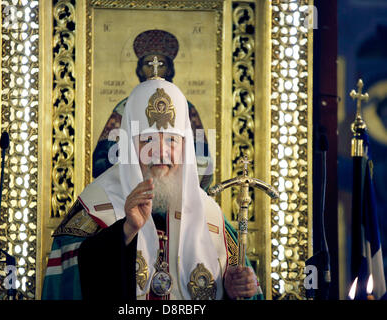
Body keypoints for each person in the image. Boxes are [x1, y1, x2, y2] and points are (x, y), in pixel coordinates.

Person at [42, 75, 263, 300]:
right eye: (147, 140)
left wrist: (235, 291)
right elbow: (67, 284)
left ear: (186, 147)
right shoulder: (95, 206)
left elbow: (246, 287)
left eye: (172, 140)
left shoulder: (210, 216)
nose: (160, 151)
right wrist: (125, 231)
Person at [93, 29, 213, 191]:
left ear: (170, 69)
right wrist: (129, 167)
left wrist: (186, 180)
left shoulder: (185, 108)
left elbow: (203, 160)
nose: (153, 68)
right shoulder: (125, 108)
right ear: (139, 69)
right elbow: (101, 159)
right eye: (147, 64)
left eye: (161, 64)